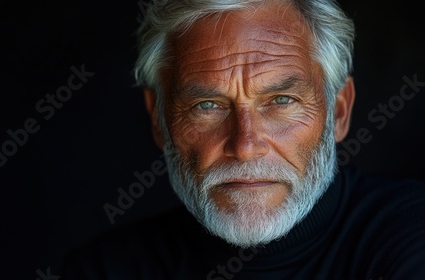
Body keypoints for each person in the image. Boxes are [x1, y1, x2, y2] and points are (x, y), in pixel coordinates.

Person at [61, 0, 425, 279]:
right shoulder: (103, 271)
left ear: (339, 113)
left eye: (281, 101)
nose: (245, 145)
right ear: (159, 118)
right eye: (208, 105)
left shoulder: (410, 239)